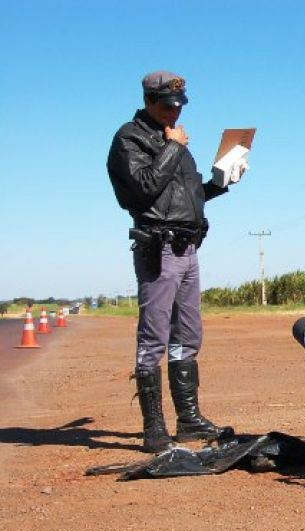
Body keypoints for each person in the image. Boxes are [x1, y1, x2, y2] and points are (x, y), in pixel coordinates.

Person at [107, 71, 244, 452]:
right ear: (150, 100)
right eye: (169, 105)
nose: (176, 112)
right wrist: (172, 147)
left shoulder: (175, 143)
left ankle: (188, 420)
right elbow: (144, 188)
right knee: (154, 337)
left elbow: (188, 196)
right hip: (159, 249)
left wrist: (222, 182)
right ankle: (154, 429)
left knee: (188, 335)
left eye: (180, 106)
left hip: (188, 248)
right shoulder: (128, 139)